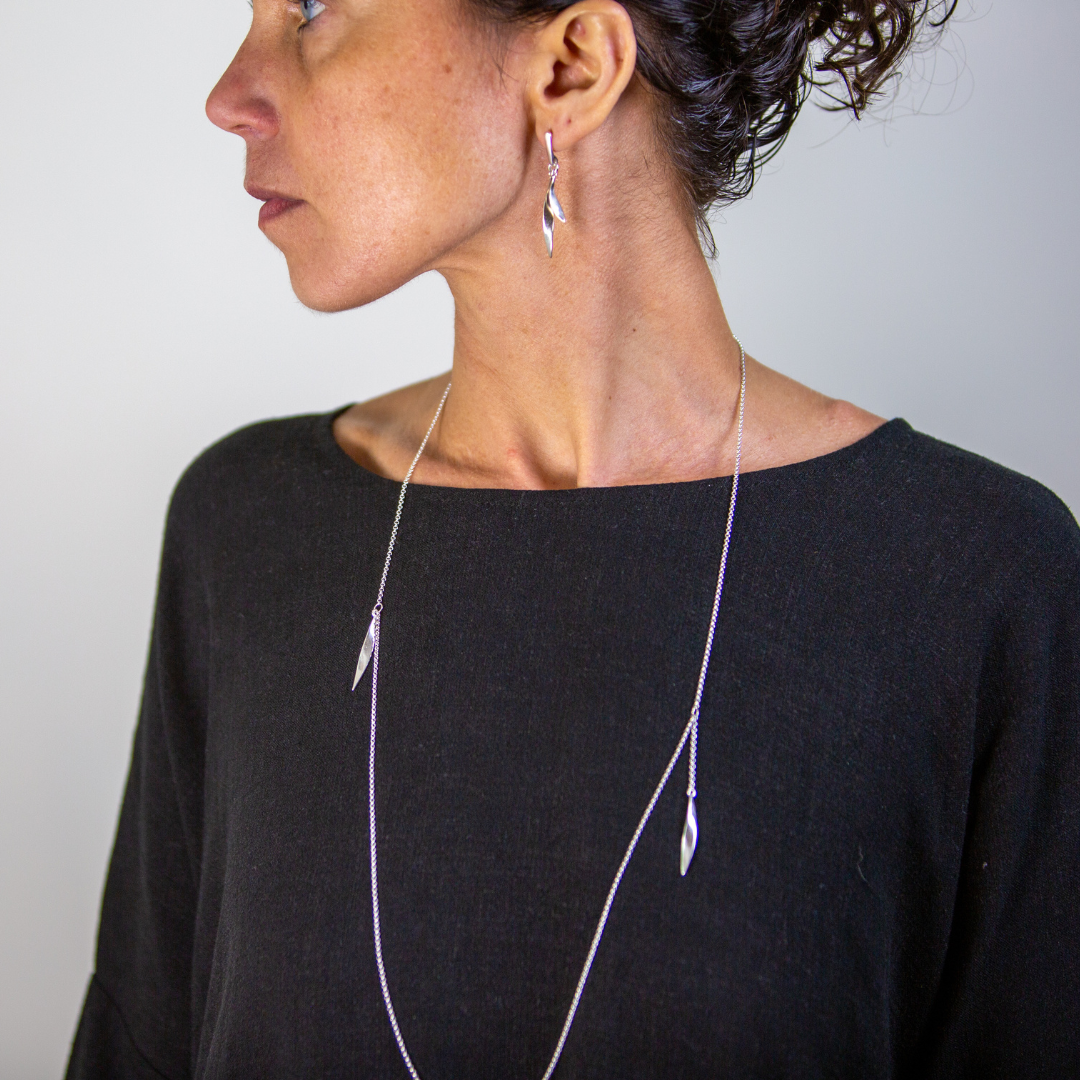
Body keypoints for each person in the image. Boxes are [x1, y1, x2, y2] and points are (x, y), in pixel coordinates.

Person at [66, 1, 1079, 1077]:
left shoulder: (972, 583)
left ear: (572, 66)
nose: (229, 97)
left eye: (311, 9)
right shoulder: (248, 531)